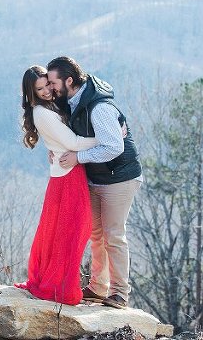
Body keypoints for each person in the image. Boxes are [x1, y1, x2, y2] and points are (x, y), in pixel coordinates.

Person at [48, 56, 142, 310]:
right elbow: (74, 137)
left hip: (120, 178)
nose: (51, 88)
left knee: (114, 235)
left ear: (69, 80)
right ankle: (99, 288)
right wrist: (57, 150)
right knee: (96, 234)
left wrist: (79, 158)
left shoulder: (98, 108)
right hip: (97, 177)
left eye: (54, 82)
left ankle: (120, 293)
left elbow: (113, 146)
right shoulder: (72, 103)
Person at [14, 65, 99, 305]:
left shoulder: (54, 105)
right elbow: (72, 141)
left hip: (68, 171)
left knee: (66, 232)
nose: (46, 91)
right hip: (67, 176)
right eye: (39, 89)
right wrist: (109, 138)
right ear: (31, 93)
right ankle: (59, 286)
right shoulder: (41, 112)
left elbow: (61, 137)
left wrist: (54, 147)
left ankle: (57, 281)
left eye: (47, 85)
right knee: (69, 233)